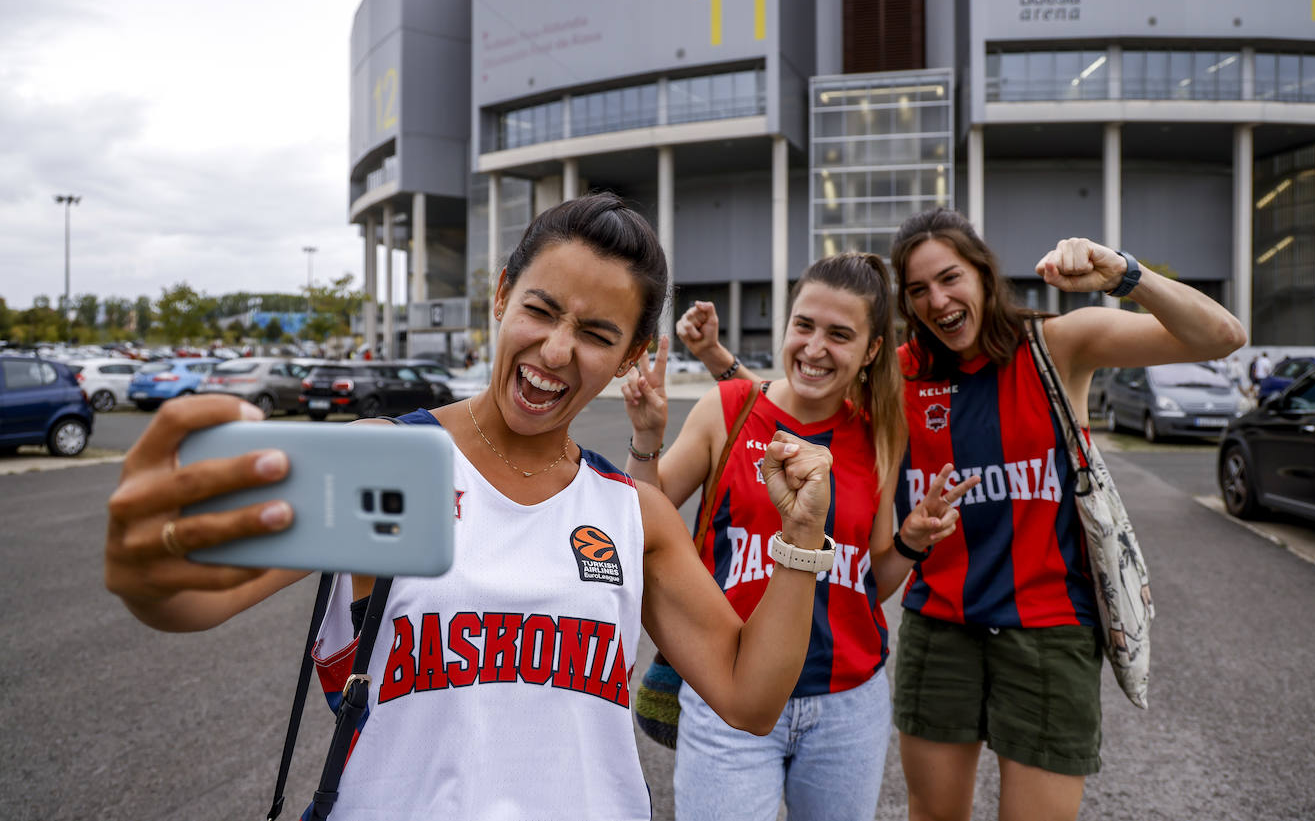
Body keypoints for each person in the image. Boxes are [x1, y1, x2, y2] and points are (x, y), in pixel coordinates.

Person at [104, 194, 842, 821]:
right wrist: (144, 564)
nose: (555, 350)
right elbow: (191, 598)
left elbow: (750, 698)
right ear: (501, 295)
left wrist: (802, 535)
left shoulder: (632, 513)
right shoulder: (388, 461)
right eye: (541, 309)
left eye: (595, 333)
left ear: (630, 357)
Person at [676, 208, 1246, 821]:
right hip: (939, 627)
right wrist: (715, 360)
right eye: (917, 289)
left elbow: (1220, 337)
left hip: (1049, 630)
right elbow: (801, 383)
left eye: (950, 278)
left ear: (983, 273)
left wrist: (1123, 274)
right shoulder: (896, 375)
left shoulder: (1055, 346)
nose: (937, 300)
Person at [621, 252, 977, 821]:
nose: (814, 348)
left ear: (872, 351)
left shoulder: (880, 436)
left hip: (847, 707)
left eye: (840, 335)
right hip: (727, 693)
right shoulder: (728, 408)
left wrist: (911, 541)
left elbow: (870, 583)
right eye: (804, 326)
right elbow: (641, 525)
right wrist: (646, 439)